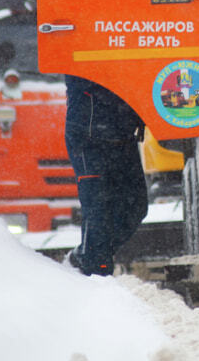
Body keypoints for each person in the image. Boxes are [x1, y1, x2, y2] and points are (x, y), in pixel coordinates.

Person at [64, 75, 149, 276]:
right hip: (89, 139)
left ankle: (87, 255)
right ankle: (97, 273)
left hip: (122, 137)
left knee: (136, 206)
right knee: (97, 209)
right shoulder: (82, 57)